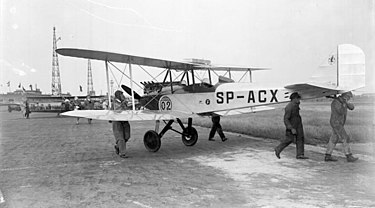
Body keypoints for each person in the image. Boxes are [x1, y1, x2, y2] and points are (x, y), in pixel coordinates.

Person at [324, 91, 358, 162]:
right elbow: (341, 112)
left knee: (334, 139)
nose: (349, 99)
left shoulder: (342, 101)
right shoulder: (336, 102)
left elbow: (352, 107)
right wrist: (343, 103)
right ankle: (349, 156)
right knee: (345, 137)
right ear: (345, 96)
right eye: (348, 97)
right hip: (336, 123)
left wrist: (345, 103)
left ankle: (328, 155)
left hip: (339, 123)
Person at [275, 92, 308, 159]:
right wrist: (291, 128)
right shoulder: (289, 107)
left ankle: (300, 154)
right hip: (292, 126)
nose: (299, 100)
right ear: (294, 99)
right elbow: (286, 119)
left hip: (298, 125)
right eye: (298, 99)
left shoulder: (295, 105)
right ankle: (278, 149)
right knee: (289, 139)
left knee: (300, 139)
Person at [112, 90, 131, 158]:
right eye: (121, 95)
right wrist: (123, 103)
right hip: (117, 121)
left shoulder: (124, 102)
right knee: (120, 138)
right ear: (118, 96)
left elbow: (127, 110)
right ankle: (122, 153)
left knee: (127, 136)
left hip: (124, 120)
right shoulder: (115, 102)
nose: (123, 96)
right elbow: (118, 110)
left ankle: (118, 147)